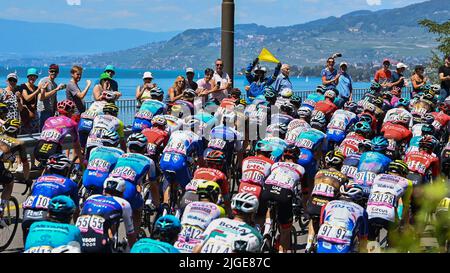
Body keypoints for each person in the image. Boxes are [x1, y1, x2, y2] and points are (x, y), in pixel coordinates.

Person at [22, 154, 79, 239]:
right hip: (46, 215)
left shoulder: (39, 179)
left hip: (27, 213)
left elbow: (29, 196)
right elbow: (76, 210)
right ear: (65, 169)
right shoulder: (70, 183)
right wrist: (77, 229)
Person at [260, 146, 305, 252]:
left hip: (268, 190)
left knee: (269, 206)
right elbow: (305, 192)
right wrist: (304, 208)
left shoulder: (275, 165)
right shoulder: (301, 169)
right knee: (286, 229)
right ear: (297, 157)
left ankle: (267, 230)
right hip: (284, 193)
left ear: (283, 156)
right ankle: (281, 250)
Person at [76, 177, 136, 253]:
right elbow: (130, 233)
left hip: (76, 242)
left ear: (104, 190)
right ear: (122, 193)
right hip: (98, 245)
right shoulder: (123, 203)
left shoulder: (91, 197)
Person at [305, 150, 347, 253]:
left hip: (313, 204)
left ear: (327, 163)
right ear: (341, 164)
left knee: (313, 219)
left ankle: (308, 244)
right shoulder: (343, 177)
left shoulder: (319, 173)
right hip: (327, 207)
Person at [366, 160, 413, 252]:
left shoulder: (377, 177)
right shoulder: (407, 182)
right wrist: (404, 224)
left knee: (370, 240)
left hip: (370, 212)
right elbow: (405, 206)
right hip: (388, 215)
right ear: (404, 173)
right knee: (394, 238)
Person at [193, 192, 263, 253]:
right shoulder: (254, 234)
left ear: (233, 210)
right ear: (252, 214)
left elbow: (198, 247)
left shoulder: (216, 222)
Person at [316, 182, 368, 253]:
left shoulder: (328, 205)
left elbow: (321, 224)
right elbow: (363, 238)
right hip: (342, 245)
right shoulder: (361, 210)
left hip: (323, 240)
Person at [175, 181, 225, 253]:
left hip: (178, 242)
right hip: (197, 247)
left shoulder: (189, 205)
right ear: (214, 195)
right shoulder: (219, 210)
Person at [34, 99, 83, 166]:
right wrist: (81, 159)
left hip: (38, 148)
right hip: (53, 149)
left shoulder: (49, 119)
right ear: (70, 112)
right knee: (65, 167)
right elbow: (76, 145)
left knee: (47, 167)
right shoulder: (71, 122)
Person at [0, 119, 30, 218]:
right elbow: (25, 164)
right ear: (17, 131)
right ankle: (0, 210)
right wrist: (26, 179)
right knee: (10, 182)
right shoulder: (19, 143)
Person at [38, 64, 66, 129]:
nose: (53, 73)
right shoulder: (44, 81)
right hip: (43, 111)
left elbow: (54, 98)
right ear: (49, 71)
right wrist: (56, 89)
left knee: (49, 130)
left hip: (51, 111)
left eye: (55, 72)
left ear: (58, 73)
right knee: (43, 130)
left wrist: (56, 110)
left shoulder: (55, 84)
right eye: (52, 71)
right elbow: (41, 97)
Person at [20, 67, 40, 134]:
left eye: (34, 76)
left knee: (35, 135)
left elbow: (42, 97)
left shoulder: (36, 88)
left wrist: (55, 90)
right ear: (28, 77)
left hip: (34, 116)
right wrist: (37, 91)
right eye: (30, 76)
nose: (32, 78)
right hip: (25, 117)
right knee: (24, 135)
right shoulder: (23, 86)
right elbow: (27, 98)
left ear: (36, 78)